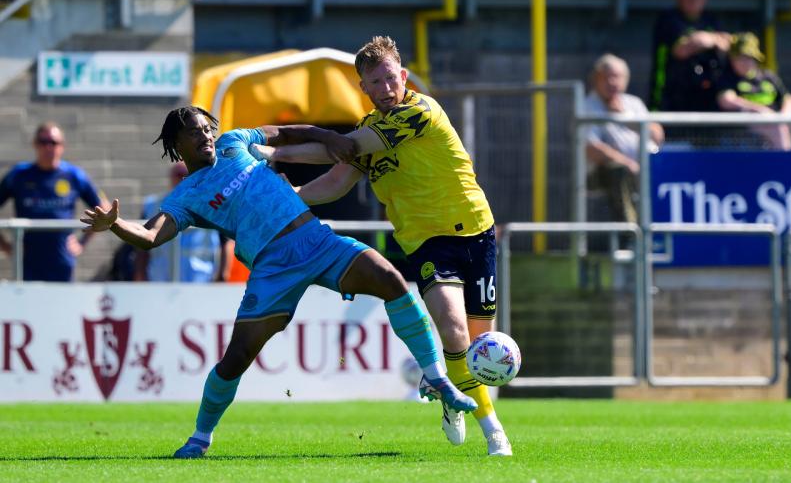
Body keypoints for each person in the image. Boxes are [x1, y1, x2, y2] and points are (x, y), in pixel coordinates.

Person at [79, 105, 476, 459]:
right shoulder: (186, 196)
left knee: (390, 279)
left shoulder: (236, 142)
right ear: (176, 145)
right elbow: (150, 236)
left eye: (207, 128)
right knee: (235, 359)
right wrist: (115, 225)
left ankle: (436, 377)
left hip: (316, 240)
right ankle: (200, 437)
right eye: (194, 132)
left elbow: (285, 134)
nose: (205, 136)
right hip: (272, 269)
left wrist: (329, 136)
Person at [261, 36, 513, 456]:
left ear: (404, 76)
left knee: (477, 348)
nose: (384, 87)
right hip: (426, 242)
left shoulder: (421, 111)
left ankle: (445, 386)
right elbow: (339, 178)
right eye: (374, 81)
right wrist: (293, 195)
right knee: (453, 333)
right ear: (363, 88)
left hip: (476, 231)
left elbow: (346, 149)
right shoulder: (366, 130)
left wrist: (269, 150)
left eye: (389, 77)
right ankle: (494, 432)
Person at [0, 122, 108, 281]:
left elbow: (104, 209)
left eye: (53, 143)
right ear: (35, 145)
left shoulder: (74, 175)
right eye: (43, 142)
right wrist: (7, 247)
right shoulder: (18, 175)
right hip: (27, 265)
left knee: (64, 305)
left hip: (62, 263)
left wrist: (82, 243)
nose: (48, 148)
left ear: (62, 146)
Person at [586, 54, 664, 223]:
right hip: (602, 173)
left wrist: (625, 117)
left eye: (617, 77)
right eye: (607, 77)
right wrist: (628, 164)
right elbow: (591, 148)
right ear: (596, 79)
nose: (613, 82)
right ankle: (631, 235)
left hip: (645, 166)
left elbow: (658, 136)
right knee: (619, 171)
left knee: (668, 166)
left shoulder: (633, 103)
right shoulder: (588, 106)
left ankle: (662, 231)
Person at [134, 162, 232, 282]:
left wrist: (223, 274)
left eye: (187, 174)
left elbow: (225, 242)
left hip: (200, 284)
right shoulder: (152, 205)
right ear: (171, 177)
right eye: (178, 174)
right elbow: (141, 244)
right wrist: (140, 274)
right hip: (159, 283)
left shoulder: (213, 205)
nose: (182, 179)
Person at [649, 0, 731, 112]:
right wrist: (710, 39)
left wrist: (704, 39)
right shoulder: (668, 19)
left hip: (705, 95)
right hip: (672, 95)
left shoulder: (711, 19)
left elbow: (728, 43)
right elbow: (680, 51)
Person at [716, 32, 791, 151]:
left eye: (749, 57)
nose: (745, 62)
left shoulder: (768, 77)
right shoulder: (727, 78)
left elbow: (789, 99)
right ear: (732, 58)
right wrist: (759, 110)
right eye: (740, 57)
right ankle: (784, 166)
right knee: (776, 128)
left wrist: (783, 117)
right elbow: (726, 99)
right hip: (743, 129)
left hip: (776, 121)